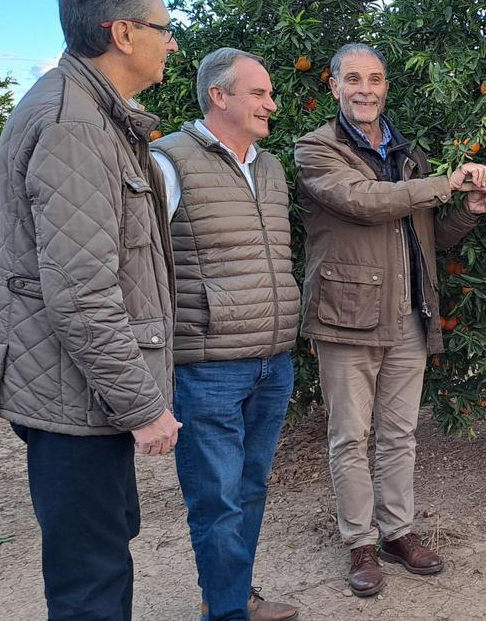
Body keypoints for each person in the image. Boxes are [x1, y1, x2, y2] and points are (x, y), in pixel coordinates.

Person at [0, 0, 180, 620]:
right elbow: (82, 295)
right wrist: (143, 406)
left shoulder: (91, 111)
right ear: (122, 32)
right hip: (74, 395)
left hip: (76, 389)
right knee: (90, 583)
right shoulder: (76, 126)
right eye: (164, 28)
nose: (172, 42)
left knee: (99, 557)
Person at [293, 42, 486, 598]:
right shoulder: (316, 150)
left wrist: (465, 211)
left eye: (376, 79)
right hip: (347, 316)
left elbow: (425, 235)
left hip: (410, 316)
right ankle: (360, 543)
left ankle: (397, 531)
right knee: (349, 436)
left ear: (387, 87)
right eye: (354, 79)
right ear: (334, 84)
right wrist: (446, 184)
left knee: (400, 434)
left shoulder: (407, 154)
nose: (366, 89)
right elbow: (364, 201)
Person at [150, 48, 299, 621]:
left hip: (272, 357)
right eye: (259, 93)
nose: (271, 104)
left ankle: (232, 596)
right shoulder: (168, 161)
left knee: (251, 488)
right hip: (207, 364)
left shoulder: (271, 167)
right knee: (216, 499)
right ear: (219, 95)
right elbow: (139, 260)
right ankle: (229, 612)